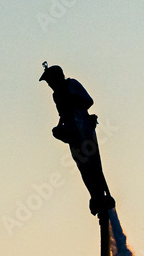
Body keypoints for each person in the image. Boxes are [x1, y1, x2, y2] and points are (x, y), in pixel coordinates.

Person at [39, 63, 115, 215]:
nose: (49, 85)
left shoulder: (71, 84)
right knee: (83, 166)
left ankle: (102, 195)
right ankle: (95, 197)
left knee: (93, 163)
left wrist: (73, 101)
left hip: (84, 128)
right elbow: (63, 115)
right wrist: (58, 128)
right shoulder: (56, 95)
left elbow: (88, 101)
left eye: (50, 81)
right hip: (72, 133)